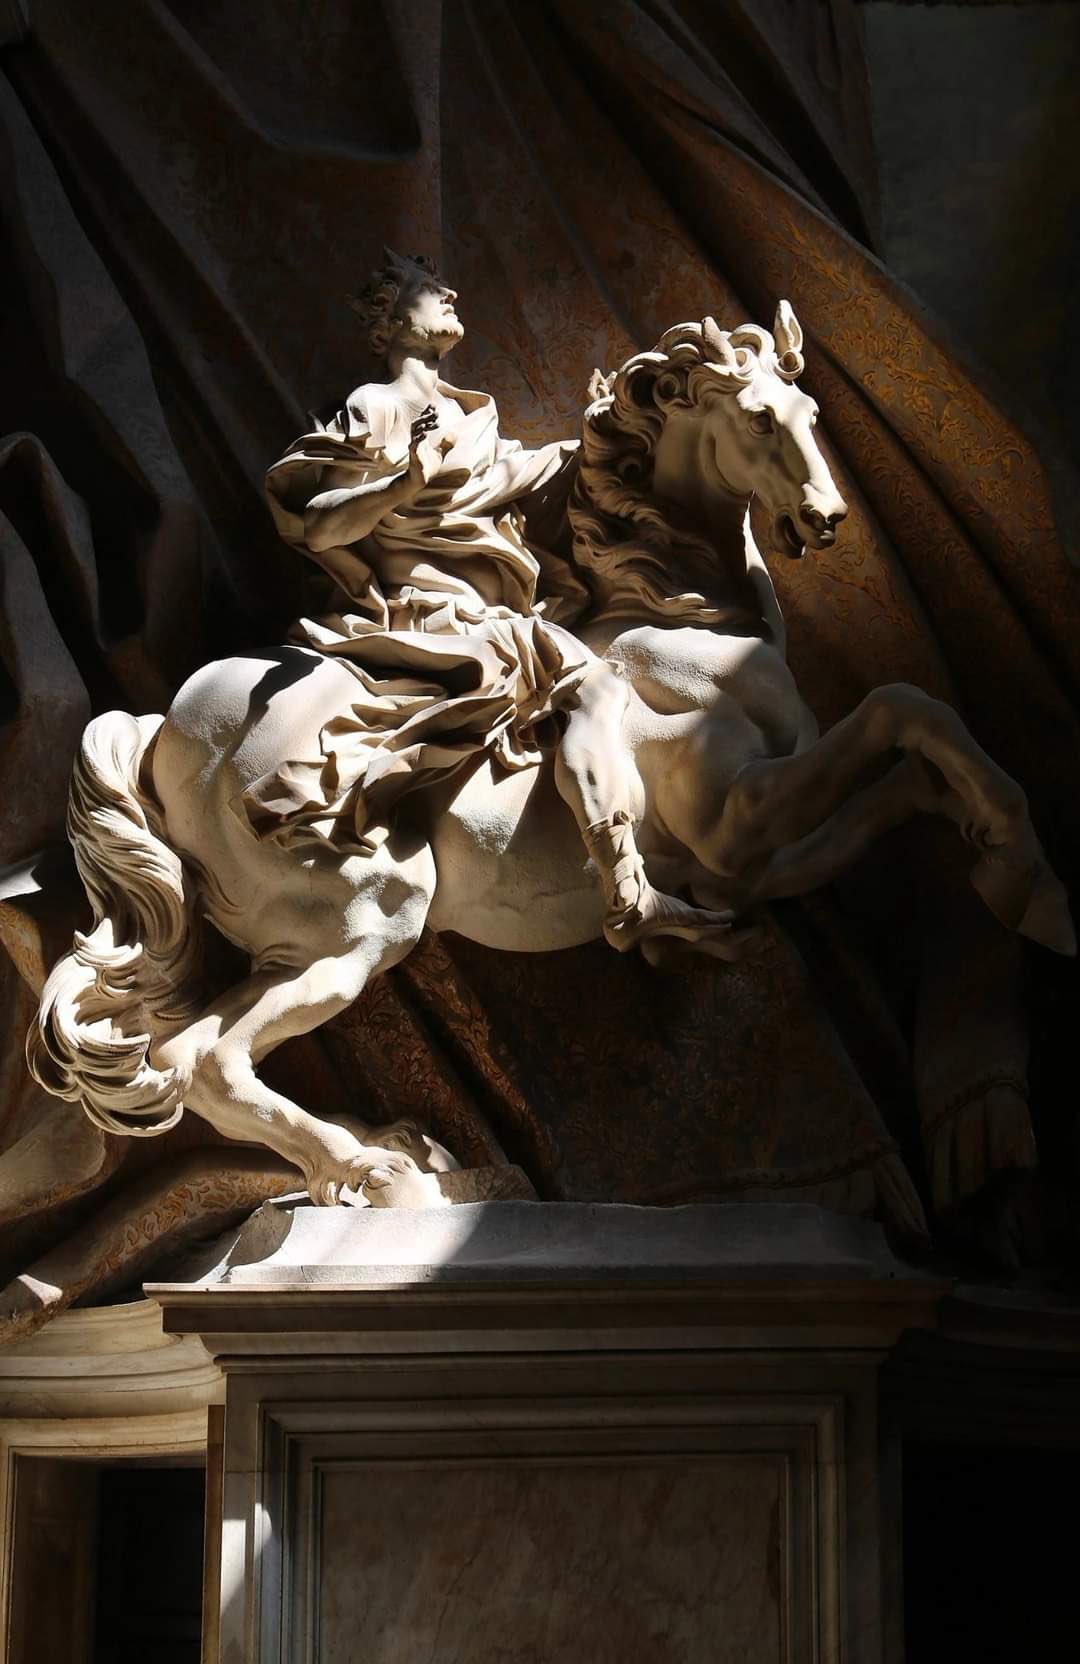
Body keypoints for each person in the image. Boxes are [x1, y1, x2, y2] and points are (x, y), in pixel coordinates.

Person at [255, 249, 722, 950]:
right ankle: (627, 890)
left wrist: (602, 432)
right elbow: (320, 525)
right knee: (595, 686)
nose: (448, 293)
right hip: (429, 613)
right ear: (389, 323)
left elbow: (521, 476)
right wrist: (403, 483)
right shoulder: (375, 406)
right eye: (426, 289)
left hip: (492, 613)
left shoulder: (469, 414)